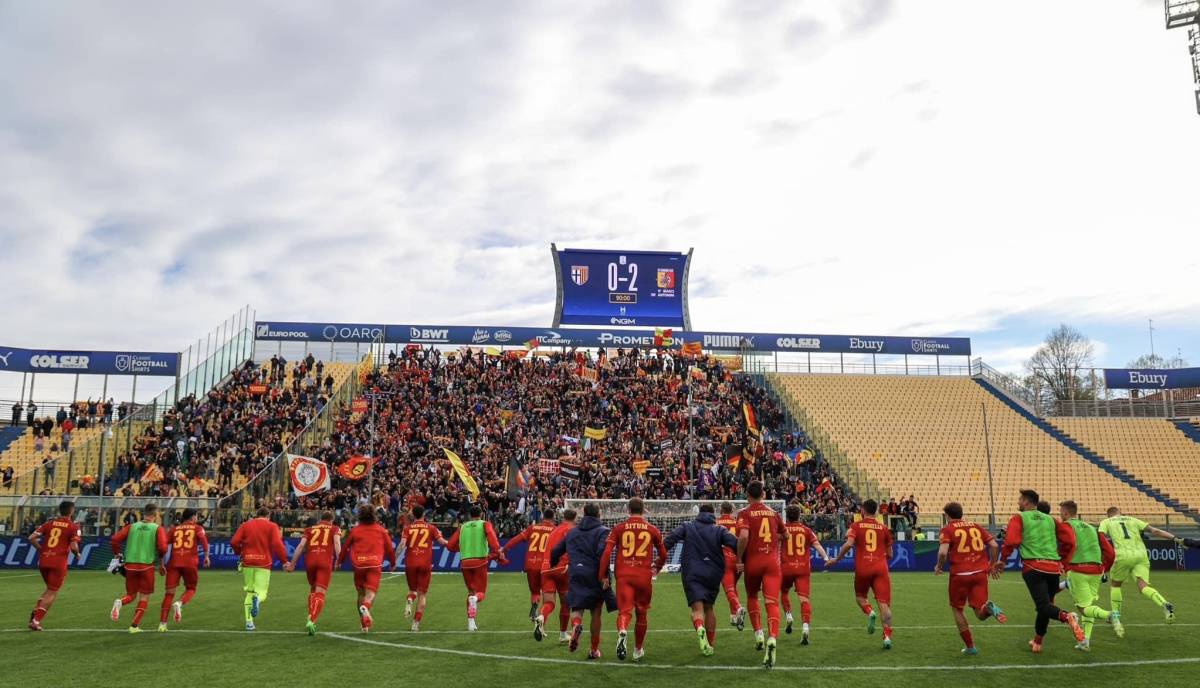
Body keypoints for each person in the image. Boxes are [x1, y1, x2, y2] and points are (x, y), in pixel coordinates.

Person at [996, 489, 1086, 653]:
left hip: (1033, 567)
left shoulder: (1019, 518)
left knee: (1044, 606)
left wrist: (1002, 560)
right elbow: (1070, 541)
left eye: (1020, 499)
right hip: (1053, 569)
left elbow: (1012, 541)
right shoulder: (1051, 520)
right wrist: (1061, 560)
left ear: (1026, 501)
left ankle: (1068, 617)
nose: (1018, 502)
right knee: (1046, 605)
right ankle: (1038, 642)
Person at [664, 503, 739, 657]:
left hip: (692, 573)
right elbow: (735, 544)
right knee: (709, 608)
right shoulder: (719, 530)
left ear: (699, 514)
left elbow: (669, 539)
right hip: (713, 573)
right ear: (713, 514)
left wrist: (659, 556)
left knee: (697, 610)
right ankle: (710, 645)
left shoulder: (688, 526)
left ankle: (699, 628)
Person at [934, 501, 1006, 656]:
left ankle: (970, 646)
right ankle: (988, 608)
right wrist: (991, 565)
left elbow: (942, 553)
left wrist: (939, 566)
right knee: (980, 613)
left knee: (957, 609)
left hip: (960, 575)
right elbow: (994, 545)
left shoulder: (947, 529)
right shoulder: (976, 526)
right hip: (980, 573)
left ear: (947, 516)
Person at [599, 497, 667, 661]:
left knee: (624, 611)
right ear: (643, 510)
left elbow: (607, 553)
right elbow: (664, 554)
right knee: (642, 613)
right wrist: (657, 566)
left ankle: (622, 629)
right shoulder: (652, 529)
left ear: (628, 510)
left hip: (624, 575)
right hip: (643, 576)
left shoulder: (619, 528)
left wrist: (602, 575)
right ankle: (637, 650)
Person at [828, 498, 895, 649]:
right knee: (884, 604)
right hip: (880, 568)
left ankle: (870, 612)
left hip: (863, 567)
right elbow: (890, 554)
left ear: (863, 511)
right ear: (877, 512)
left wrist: (837, 559)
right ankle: (887, 637)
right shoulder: (884, 528)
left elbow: (848, 544)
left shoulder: (856, 526)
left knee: (860, 597)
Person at [1098, 506, 1180, 625]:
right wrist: (1175, 538)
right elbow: (1155, 531)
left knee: (1115, 585)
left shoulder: (1106, 522)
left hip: (1122, 556)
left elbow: (1100, 538)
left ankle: (1115, 616)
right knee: (1143, 587)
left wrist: (1104, 559)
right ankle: (1164, 603)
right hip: (1141, 555)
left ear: (1108, 515)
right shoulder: (1133, 519)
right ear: (1121, 512)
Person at [548, 502, 611, 659]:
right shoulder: (603, 531)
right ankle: (594, 650)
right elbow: (602, 552)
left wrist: (553, 562)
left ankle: (576, 625)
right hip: (595, 573)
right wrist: (605, 575)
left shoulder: (572, 532)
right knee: (596, 612)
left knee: (576, 607)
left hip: (576, 572)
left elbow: (555, 551)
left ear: (583, 514)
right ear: (598, 515)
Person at [1058, 501, 1121, 650]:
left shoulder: (1066, 526)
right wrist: (1104, 568)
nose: (1060, 516)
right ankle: (1085, 641)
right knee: (1089, 606)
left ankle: (1110, 615)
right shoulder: (1093, 528)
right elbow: (1111, 552)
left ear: (1066, 514)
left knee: (1083, 608)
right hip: (1097, 570)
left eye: (1061, 513)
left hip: (1078, 570)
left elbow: (1066, 546)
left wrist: (1061, 562)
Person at [736, 481, 784, 668]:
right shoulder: (774, 513)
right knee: (772, 602)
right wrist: (773, 538)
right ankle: (773, 637)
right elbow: (785, 535)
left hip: (753, 562)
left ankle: (759, 634)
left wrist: (740, 558)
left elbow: (744, 537)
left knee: (752, 596)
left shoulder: (745, 513)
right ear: (763, 494)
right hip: (772, 563)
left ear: (748, 495)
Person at [110, 503, 168, 633]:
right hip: (146, 566)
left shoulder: (132, 526)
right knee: (144, 597)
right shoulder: (157, 528)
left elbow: (114, 539)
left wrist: (117, 554)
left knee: (131, 595)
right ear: (155, 515)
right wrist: (161, 562)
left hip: (130, 566)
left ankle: (120, 602)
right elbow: (163, 548)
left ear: (144, 514)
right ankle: (134, 626)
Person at [339, 504, 397, 633]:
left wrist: (339, 561)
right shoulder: (381, 530)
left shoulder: (355, 530)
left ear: (360, 516)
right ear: (373, 515)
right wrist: (393, 563)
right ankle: (365, 607)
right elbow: (389, 548)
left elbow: (345, 546)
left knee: (360, 594)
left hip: (359, 565)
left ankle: (363, 624)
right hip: (374, 565)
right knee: (370, 593)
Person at [444, 504, 502, 631]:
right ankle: (475, 600)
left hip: (465, 563)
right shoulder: (485, 524)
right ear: (481, 514)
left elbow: (449, 546)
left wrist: (462, 548)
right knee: (481, 593)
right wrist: (498, 550)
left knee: (470, 592)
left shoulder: (462, 527)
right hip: (480, 561)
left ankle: (471, 622)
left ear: (470, 515)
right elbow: (492, 539)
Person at [230, 506, 288, 631]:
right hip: (263, 563)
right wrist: (284, 561)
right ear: (268, 516)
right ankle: (258, 600)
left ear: (257, 515)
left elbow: (234, 541)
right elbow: (277, 544)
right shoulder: (272, 526)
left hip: (248, 562)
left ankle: (249, 622)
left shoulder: (246, 525)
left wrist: (239, 552)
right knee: (261, 592)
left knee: (249, 592)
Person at [28, 500, 81, 630]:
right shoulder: (73, 526)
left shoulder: (49, 523)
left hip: (44, 560)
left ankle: (36, 612)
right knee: (52, 591)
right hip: (58, 562)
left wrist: (41, 550)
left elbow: (31, 538)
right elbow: (74, 546)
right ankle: (36, 620)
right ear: (72, 511)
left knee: (49, 589)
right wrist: (77, 554)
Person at [286, 510, 341, 635]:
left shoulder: (309, 529)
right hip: (324, 562)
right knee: (320, 593)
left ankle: (310, 617)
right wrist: (339, 559)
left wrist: (292, 563)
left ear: (320, 519)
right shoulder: (334, 528)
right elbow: (337, 543)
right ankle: (312, 619)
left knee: (313, 590)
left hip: (310, 562)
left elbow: (300, 546)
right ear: (331, 520)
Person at [780, 504, 829, 644]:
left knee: (784, 592)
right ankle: (806, 628)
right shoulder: (806, 530)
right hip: (802, 569)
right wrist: (826, 558)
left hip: (786, 568)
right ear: (799, 515)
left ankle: (789, 615)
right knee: (804, 600)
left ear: (787, 516)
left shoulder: (783, 529)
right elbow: (817, 545)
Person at [500, 508, 558, 622]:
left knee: (535, 592)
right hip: (546, 565)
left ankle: (534, 609)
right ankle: (542, 617)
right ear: (553, 518)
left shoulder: (532, 528)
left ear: (543, 517)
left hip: (531, 564)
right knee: (548, 593)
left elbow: (517, 539)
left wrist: (504, 548)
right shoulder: (554, 530)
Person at [158, 508, 210, 632]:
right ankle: (180, 603)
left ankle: (162, 624)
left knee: (169, 594)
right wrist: (207, 556)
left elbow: (163, 546)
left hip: (174, 563)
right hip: (190, 563)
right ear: (193, 518)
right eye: (196, 516)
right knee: (191, 588)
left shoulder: (174, 529)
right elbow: (203, 541)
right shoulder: (197, 528)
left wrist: (161, 563)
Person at [398, 505, 446, 631]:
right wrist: (455, 544)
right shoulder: (431, 528)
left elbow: (402, 544)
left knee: (412, 590)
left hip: (411, 563)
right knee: (422, 594)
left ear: (413, 515)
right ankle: (415, 623)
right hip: (425, 564)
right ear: (423, 514)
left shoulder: (407, 528)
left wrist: (394, 559)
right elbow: (442, 542)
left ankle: (409, 599)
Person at [535, 508, 576, 644]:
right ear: (575, 519)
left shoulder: (554, 530)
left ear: (563, 517)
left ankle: (541, 616)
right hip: (562, 569)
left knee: (549, 603)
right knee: (566, 603)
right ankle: (563, 634)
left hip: (546, 569)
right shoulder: (572, 530)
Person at [716, 501, 747, 630]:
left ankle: (739, 608)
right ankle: (734, 617)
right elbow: (744, 540)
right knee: (733, 587)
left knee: (728, 589)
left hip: (724, 560)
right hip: (738, 560)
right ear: (732, 511)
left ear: (722, 510)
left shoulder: (716, 524)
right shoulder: (737, 523)